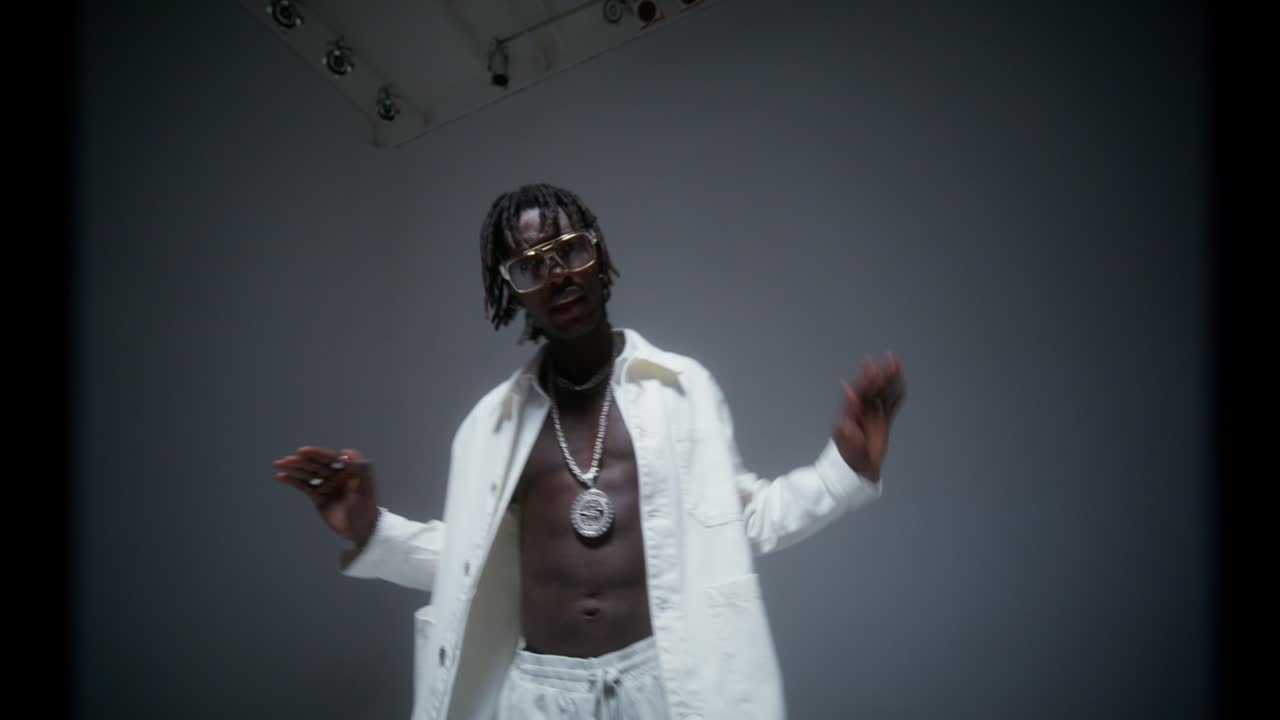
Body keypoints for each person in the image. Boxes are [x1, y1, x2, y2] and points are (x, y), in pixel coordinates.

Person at [273, 183, 905, 720]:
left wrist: (844, 469)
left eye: (569, 248)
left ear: (598, 252)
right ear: (510, 293)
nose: (557, 274)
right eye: (529, 266)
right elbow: (467, 566)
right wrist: (370, 529)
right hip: (540, 695)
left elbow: (742, 522)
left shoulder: (682, 389)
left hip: (663, 681)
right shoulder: (487, 429)